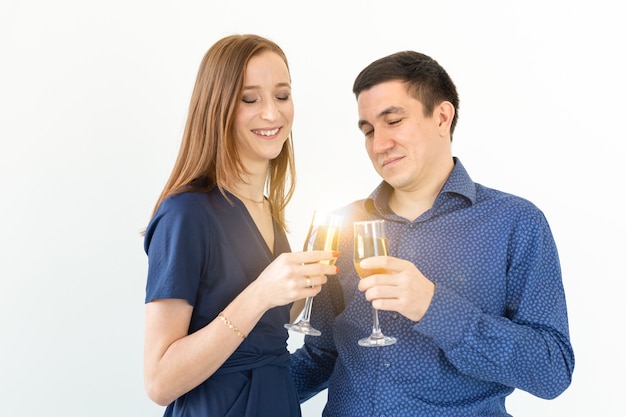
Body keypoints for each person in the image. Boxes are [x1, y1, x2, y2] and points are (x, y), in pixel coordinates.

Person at [289, 51, 575, 416]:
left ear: (442, 117)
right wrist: (229, 396)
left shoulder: (516, 223)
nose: (379, 145)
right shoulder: (341, 227)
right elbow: (322, 355)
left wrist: (433, 306)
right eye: (368, 131)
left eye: (393, 121)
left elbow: (551, 370)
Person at [142, 34, 337, 417]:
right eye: (250, 99)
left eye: (282, 96)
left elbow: (269, 326)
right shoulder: (186, 214)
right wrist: (262, 291)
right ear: (217, 109)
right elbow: (159, 382)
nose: (272, 114)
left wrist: (307, 282)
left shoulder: (266, 209)